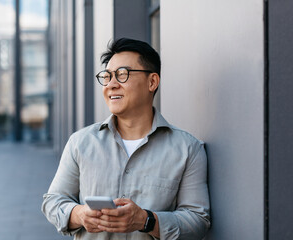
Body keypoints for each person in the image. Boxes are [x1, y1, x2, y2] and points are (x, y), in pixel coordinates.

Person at [42, 38, 210, 239]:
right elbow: (53, 201)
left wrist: (146, 220)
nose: (111, 85)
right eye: (107, 76)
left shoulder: (188, 149)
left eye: (122, 74)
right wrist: (79, 214)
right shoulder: (80, 142)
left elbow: (198, 221)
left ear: (152, 82)